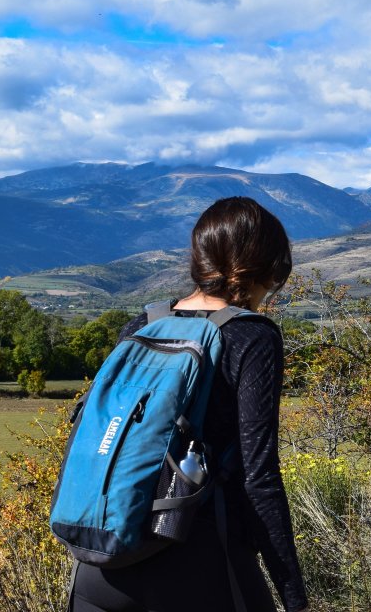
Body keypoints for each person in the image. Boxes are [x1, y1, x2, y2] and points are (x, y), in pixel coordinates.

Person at [71, 196, 309, 612]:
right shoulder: (252, 338)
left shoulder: (142, 326)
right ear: (268, 267)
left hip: (101, 563)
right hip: (200, 562)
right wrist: (294, 596)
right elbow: (260, 478)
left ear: (198, 260)